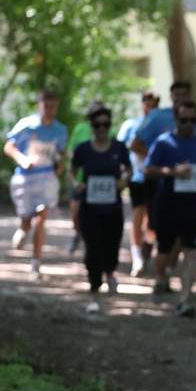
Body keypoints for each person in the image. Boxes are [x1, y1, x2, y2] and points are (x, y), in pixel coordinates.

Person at [143, 100, 196, 318]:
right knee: (164, 251)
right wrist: (172, 172)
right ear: (175, 119)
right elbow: (148, 170)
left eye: (193, 120)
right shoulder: (163, 142)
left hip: (193, 205)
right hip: (167, 204)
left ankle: (185, 299)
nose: (188, 124)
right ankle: (160, 279)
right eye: (184, 120)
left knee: (191, 251)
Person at [71, 106, 132, 314]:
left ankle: (110, 271)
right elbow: (72, 172)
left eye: (105, 124)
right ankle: (94, 291)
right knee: (93, 249)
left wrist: (124, 181)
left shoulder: (119, 148)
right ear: (92, 127)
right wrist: (76, 184)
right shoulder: (83, 149)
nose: (102, 128)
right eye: (97, 125)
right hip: (89, 208)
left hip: (113, 208)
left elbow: (129, 169)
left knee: (112, 245)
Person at [4, 89, 69, 278]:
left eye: (52, 107)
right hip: (25, 179)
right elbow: (9, 146)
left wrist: (60, 165)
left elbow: (59, 153)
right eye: (46, 106)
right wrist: (23, 159)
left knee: (41, 218)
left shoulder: (60, 130)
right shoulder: (26, 125)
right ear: (39, 105)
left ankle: (35, 264)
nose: (49, 110)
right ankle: (23, 229)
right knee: (27, 221)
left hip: (46, 178)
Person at [118, 90, 159, 277]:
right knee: (137, 214)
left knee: (152, 221)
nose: (149, 108)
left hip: (157, 178)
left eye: (153, 105)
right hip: (137, 178)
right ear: (142, 105)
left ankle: (148, 242)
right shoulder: (131, 125)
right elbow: (120, 149)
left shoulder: (160, 126)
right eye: (146, 104)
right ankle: (137, 258)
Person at [66, 102, 104, 255]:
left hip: (100, 181)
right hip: (80, 179)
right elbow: (70, 150)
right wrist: (80, 160)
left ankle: (96, 242)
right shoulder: (80, 129)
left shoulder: (109, 132)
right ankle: (77, 233)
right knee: (75, 210)